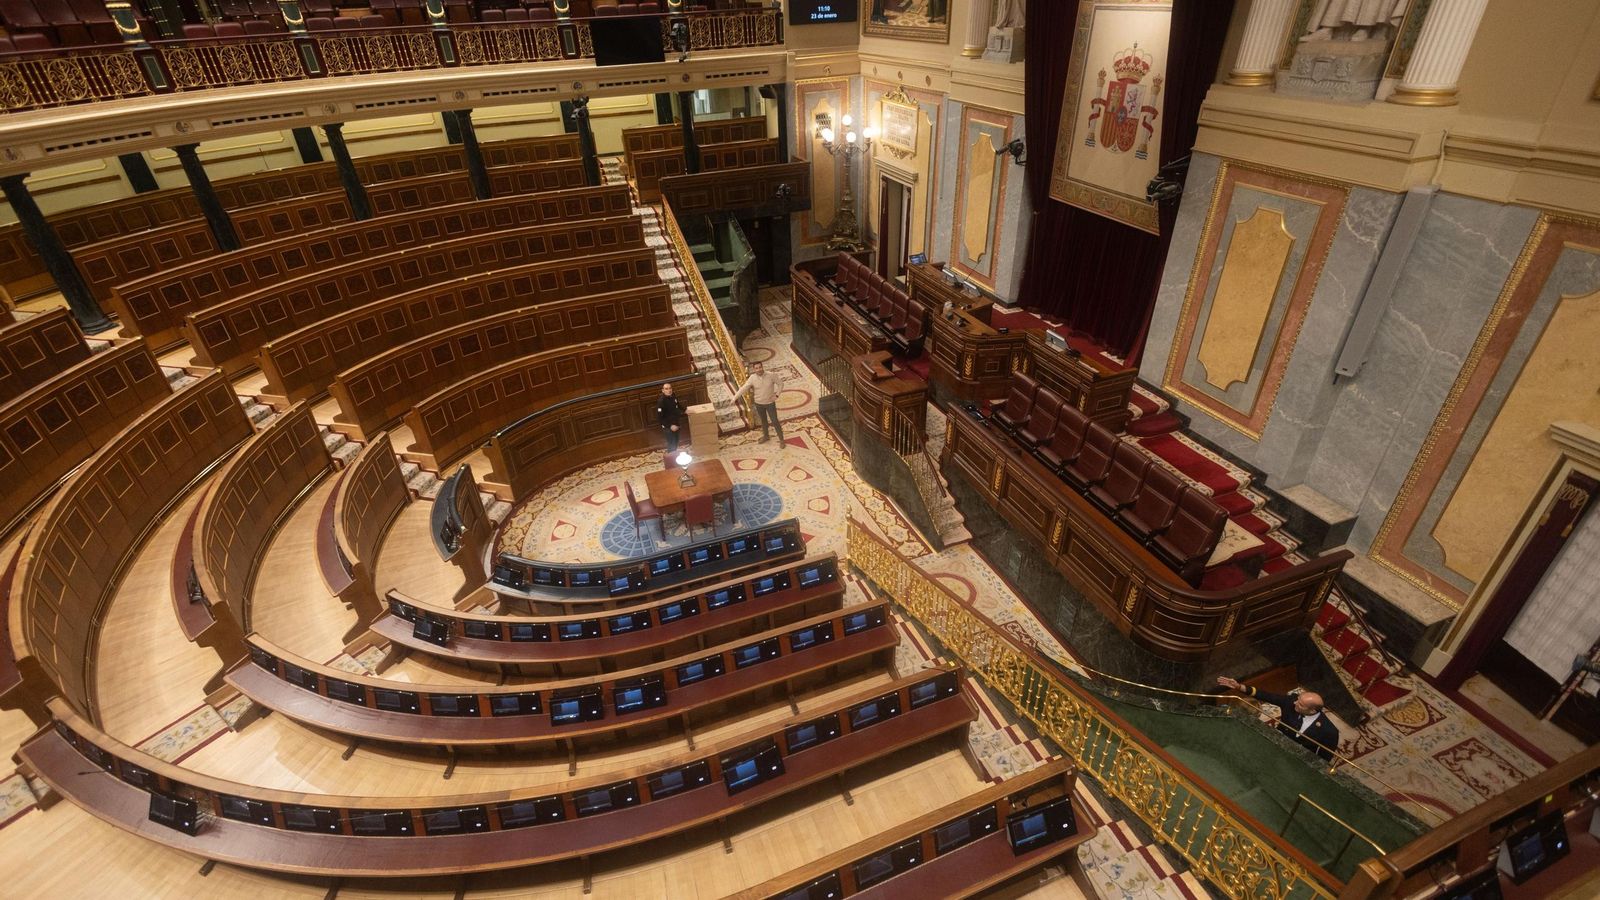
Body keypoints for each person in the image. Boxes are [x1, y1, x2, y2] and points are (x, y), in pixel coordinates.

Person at [1216, 676, 1340, 761]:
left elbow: (1324, 758)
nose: (1295, 703)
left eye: (1301, 704)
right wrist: (1239, 687)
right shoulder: (1291, 701)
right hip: (1275, 743)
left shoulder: (1329, 731)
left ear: (1313, 710)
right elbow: (1267, 695)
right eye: (1298, 699)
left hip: (1297, 759)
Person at [731, 360, 785, 445]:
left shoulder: (771, 375)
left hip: (770, 403)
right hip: (759, 404)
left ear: (762, 367)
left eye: (760, 367)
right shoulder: (752, 378)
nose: (759, 369)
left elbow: (781, 384)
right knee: (763, 421)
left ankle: (781, 440)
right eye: (756, 368)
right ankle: (766, 436)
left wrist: (777, 395)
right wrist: (734, 398)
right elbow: (744, 388)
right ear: (754, 369)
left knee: (774, 421)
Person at [657, 382, 682, 453]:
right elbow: (660, 418)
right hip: (668, 427)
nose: (669, 390)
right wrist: (670, 426)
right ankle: (671, 460)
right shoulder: (661, 402)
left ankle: (674, 458)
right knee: (671, 445)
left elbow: (678, 404)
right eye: (666, 389)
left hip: (675, 424)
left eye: (670, 388)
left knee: (676, 442)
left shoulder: (673, 396)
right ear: (663, 390)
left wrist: (685, 410)